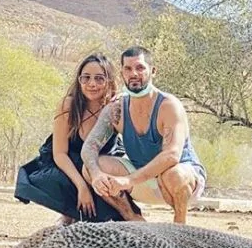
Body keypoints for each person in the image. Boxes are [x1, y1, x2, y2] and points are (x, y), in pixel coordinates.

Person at [80, 45, 206, 224]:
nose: (134, 74)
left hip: (179, 181)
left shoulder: (169, 106)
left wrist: (127, 180)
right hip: (141, 178)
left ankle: (180, 226)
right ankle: (133, 218)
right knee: (90, 167)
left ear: (152, 71)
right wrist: (96, 174)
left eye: (140, 68)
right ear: (122, 72)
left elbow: (172, 156)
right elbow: (89, 147)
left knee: (173, 173)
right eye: (128, 68)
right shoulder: (116, 109)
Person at [15, 53, 140, 224]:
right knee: (62, 183)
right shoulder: (68, 105)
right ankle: (69, 214)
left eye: (99, 78)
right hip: (67, 164)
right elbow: (59, 154)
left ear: (109, 81)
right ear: (79, 80)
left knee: (114, 210)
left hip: (100, 165)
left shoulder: (115, 106)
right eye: (86, 78)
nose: (92, 84)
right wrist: (82, 187)